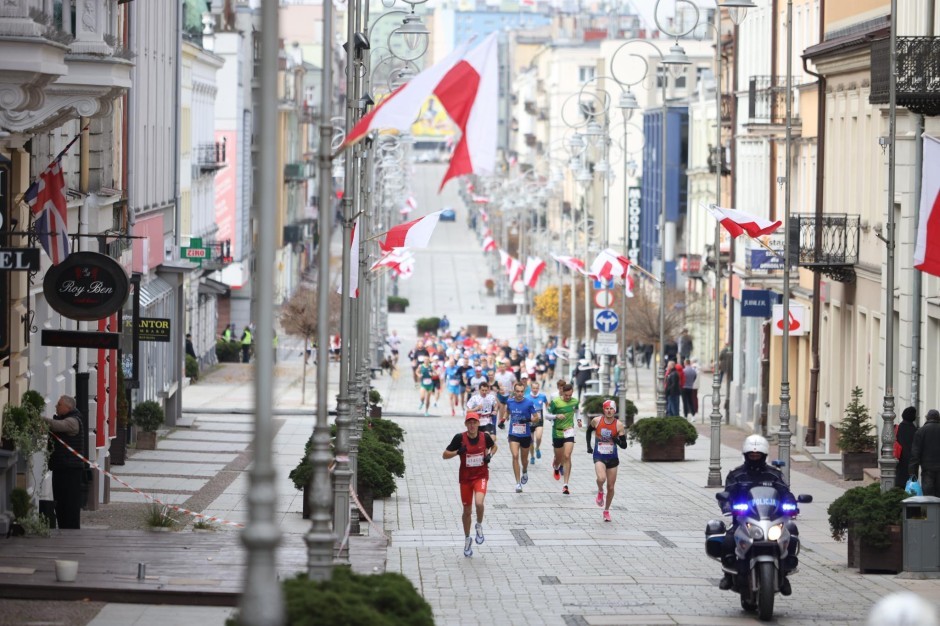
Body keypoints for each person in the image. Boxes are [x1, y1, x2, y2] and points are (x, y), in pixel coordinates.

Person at [717, 435, 796, 595]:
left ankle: (785, 571)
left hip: (772, 519)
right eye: (751, 455)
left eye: (757, 455)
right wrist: (727, 504)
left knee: (792, 533)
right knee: (728, 540)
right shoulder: (736, 475)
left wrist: (791, 503)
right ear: (746, 455)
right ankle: (728, 574)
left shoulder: (774, 474)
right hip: (743, 519)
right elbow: (728, 494)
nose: (754, 457)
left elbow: (784, 492)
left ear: (764, 455)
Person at [443, 412, 498, 557]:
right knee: (467, 511)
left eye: (475, 422)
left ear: (478, 424)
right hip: (465, 480)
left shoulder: (484, 437)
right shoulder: (459, 438)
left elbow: (494, 447)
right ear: (466, 424)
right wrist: (457, 452)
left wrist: (489, 456)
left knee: (479, 504)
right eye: (470, 423)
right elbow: (445, 455)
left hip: (480, 476)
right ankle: (467, 539)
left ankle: (479, 525)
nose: (472, 425)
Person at [44, 395, 86, 529]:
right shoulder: (66, 419)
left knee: (70, 504)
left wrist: (38, 418)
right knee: (60, 502)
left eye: (59, 404)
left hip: (70, 470)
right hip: (61, 467)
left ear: (68, 407)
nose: (56, 406)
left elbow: (57, 426)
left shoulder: (73, 421)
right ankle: (63, 527)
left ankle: (71, 530)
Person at [585, 399, 628, 522]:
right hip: (599, 455)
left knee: (610, 486)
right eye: (607, 409)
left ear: (615, 410)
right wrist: (588, 446)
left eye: (611, 409)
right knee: (601, 479)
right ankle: (599, 490)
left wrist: (617, 441)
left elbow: (624, 445)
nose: (609, 411)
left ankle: (606, 510)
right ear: (604, 410)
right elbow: (588, 431)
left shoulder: (619, 425)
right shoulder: (597, 421)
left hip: (612, 457)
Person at [546, 382, 579, 494]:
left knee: (567, 456)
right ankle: (556, 467)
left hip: (569, 431)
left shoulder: (575, 401)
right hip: (557, 432)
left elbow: (577, 410)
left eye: (570, 395)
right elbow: (546, 415)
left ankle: (565, 485)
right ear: (562, 393)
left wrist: (578, 420)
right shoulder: (556, 402)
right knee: (558, 458)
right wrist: (556, 416)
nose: (568, 397)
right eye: (566, 395)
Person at [505, 382, 539, 493]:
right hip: (513, 434)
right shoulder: (509, 401)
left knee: (524, 460)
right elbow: (507, 412)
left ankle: (524, 470)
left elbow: (536, 417)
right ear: (514, 391)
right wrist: (503, 419)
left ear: (524, 392)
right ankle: (518, 483)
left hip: (525, 434)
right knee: (515, 456)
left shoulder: (529, 403)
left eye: (521, 391)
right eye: (518, 391)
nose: (519, 393)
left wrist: (528, 420)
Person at [910, 409, 940, 497]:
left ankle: (930, 510)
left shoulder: (921, 431)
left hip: (927, 469)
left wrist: (912, 472)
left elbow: (915, 453)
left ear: (927, 418)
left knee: (929, 495)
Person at [896, 406, 918, 489]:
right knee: (911, 486)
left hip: (898, 459)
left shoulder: (897, 428)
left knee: (898, 484)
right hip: (912, 462)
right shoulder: (916, 431)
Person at [526, 380, 548, 464]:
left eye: (537, 388)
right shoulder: (527, 397)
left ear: (538, 388)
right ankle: (532, 456)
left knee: (538, 437)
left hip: (539, 420)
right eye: (533, 388)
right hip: (530, 420)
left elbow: (547, 404)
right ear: (531, 388)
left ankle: (537, 448)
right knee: (531, 441)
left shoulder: (542, 396)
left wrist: (547, 411)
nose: (535, 390)